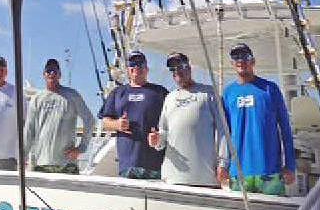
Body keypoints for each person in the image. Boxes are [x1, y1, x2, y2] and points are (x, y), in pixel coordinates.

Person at [218, 43, 296, 195]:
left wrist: (290, 165)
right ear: (232, 64)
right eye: (236, 57)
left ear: (253, 61)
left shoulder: (270, 89)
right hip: (238, 173)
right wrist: (223, 165)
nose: (241, 61)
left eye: (245, 57)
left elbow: (285, 129)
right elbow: (224, 134)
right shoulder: (228, 93)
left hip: (270, 172)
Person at [147, 51, 223, 187]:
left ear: (189, 67)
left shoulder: (209, 93)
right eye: (173, 69)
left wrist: (223, 164)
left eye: (180, 66)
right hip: (172, 179)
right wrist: (156, 140)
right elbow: (162, 136)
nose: (177, 71)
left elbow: (223, 132)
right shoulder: (169, 98)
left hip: (205, 179)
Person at [98, 50, 167, 179]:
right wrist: (118, 124)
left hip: (156, 164)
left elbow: (171, 123)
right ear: (128, 70)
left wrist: (160, 136)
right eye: (133, 64)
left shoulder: (160, 92)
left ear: (146, 69)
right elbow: (105, 122)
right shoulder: (117, 93)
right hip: (128, 164)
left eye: (140, 64)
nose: (136, 67)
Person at [24, 58, 96, 174]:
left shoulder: (72, 95)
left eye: (55, 71)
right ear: (44, 75)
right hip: (41, 164)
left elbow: (90, 121)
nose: (51, 73)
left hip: (67, 165)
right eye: (48, 71)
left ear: (59, 75)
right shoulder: (36, 99)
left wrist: (81, 148)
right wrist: (23, 155)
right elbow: (29, 129)